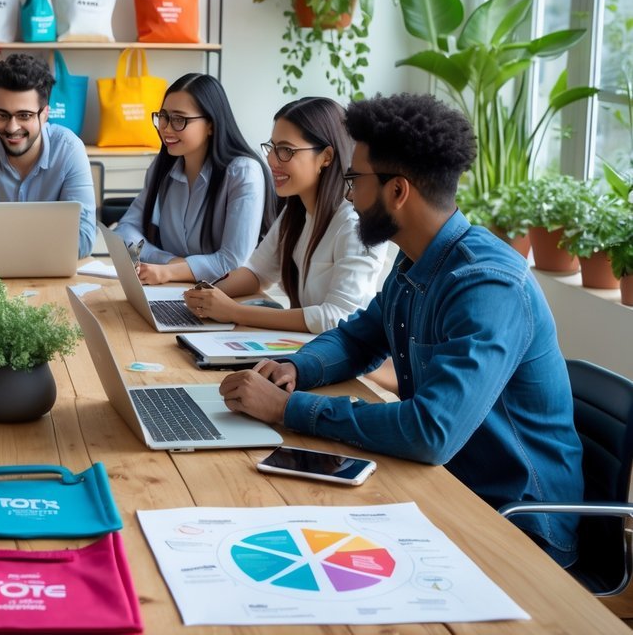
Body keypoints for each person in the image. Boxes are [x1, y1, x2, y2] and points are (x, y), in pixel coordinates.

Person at [218, 93, 584, 565]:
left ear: (398, 192)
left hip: (515, 523)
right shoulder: (415, 259)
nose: (347, 193)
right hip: (444, 484)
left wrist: (290, 409)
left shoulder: (487, 286)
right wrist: (297, 368)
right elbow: (357, 337)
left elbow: (430, 431)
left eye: (355, 179)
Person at [182, 97, 385, 332]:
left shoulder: (353, 224)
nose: (272, 160)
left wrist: (234, 312)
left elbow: (338, 318)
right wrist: (203, 296)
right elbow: (257, 273)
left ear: (326, 157)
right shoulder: (296, 210)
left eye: (286, 150)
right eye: (273, 147)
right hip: (307, 350)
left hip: (340, 360)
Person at [114, 73, 273, 284]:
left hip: (225, 298)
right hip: (172, 290)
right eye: (163, 116)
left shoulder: (243, 173)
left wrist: (170, 271)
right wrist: (170, 262)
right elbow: (124, 231)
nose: (166, 128)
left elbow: (233, 262)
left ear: (211, 125)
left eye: (179, 119)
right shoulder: (162, 168)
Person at [0, 53, 96, 258]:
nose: (12, 128)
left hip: (48, 277)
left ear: (45, 114)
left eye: (24, 115)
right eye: (2, 115)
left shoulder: (69, 150)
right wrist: (44, 238)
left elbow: (83, 239)